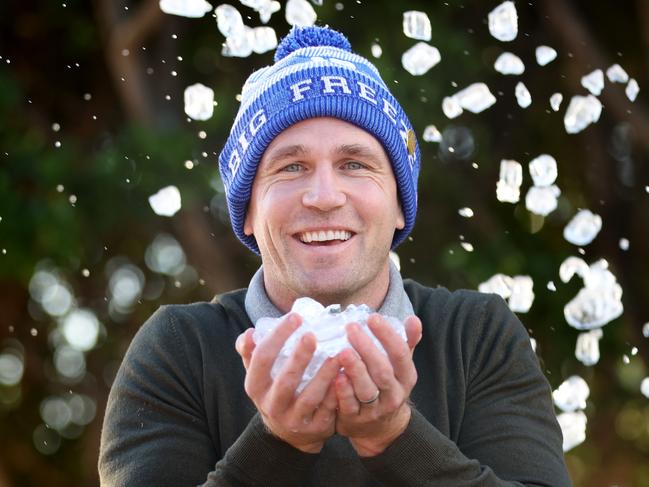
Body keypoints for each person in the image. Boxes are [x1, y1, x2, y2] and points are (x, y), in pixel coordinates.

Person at [98, 26, 571, 486]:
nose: (324, 196)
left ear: (401, 205)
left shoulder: (476, 335)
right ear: (246, 212)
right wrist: (278, 443)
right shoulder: (178, 348)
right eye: (291, 167)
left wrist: (394, 436)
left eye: (354, 165)